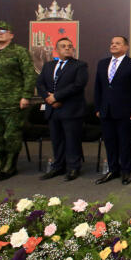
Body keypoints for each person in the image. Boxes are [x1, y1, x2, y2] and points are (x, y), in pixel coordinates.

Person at [0, 21, 36, 181]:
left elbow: (29, 74)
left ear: (11, 34)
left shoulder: (19, 52)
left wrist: (26, 95)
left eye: (3, 30)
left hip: (13, 102)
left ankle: (9, 166)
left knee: (11, 135)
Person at [94, 36, 131, 185]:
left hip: (125, 111)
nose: (113, 45)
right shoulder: (102, 64)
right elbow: (98, 88)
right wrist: (98, 108)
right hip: (105, 111)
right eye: (112, 43)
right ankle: (112, 170)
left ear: (126, 47)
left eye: (117, 43)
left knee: (124, 142)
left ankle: (126, 171)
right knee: (109, 142)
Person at [36, 37, 88, 181]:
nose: (67, 48)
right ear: (56, 50)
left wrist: (57, 97)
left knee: (72, 141)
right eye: (64, 46)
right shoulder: (48, 66)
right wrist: (48, 98)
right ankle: (58, 166)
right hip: (53, 110)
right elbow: (40, 84)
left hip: (71, 110)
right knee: (57, 140)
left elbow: (78, 85)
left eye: (70, 46)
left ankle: (73, 168)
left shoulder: (80, 65)